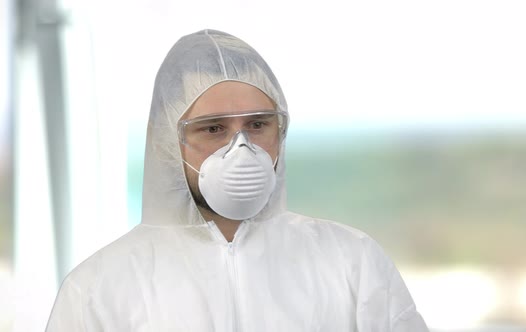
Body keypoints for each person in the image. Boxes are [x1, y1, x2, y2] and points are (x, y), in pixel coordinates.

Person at [46, 29, 429, 331]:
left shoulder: (351, 262)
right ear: (167, 142)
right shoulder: (98, 288)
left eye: (258, 125)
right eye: (213, 129)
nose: (240, 149)